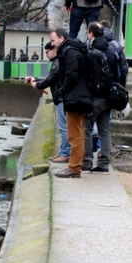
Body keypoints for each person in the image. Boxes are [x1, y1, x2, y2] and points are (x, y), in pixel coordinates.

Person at [30, 28, 92, 178]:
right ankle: (75, 165)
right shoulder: (75, 50)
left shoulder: (69, 52)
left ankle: (74, 168)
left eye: (53, 40)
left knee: (74, 134)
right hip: (81, 96)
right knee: (78, 133)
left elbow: (70, 75)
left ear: (61, 39)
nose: (52, 44)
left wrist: (62, 91)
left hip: (75, 98)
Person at [26, 39, 70, 164]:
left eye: (47, 52)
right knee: (64, 127)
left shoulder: (58, 62)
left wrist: (38, 85)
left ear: (54, 50)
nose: (46, 55)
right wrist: (36, 80)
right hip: (62, 98)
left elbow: (51, 78)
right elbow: (51, 77)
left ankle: (65, 153)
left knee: (64, 128)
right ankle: (63, 152)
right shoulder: (59, 61)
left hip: (61, 98)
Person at [82, 22, 117, 173]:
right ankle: (103, 164)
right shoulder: (112, 51)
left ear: (91, 34)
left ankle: (86, 161)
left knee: (87, 129)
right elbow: (119, 72)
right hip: (108, 97)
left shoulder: (91, 52)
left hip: (94, 97)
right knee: (104, 131)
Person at [100, 20, 128, 87]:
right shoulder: (116, 45)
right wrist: (122, 85)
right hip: (113, 81)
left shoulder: (91, 43)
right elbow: (124, 67)